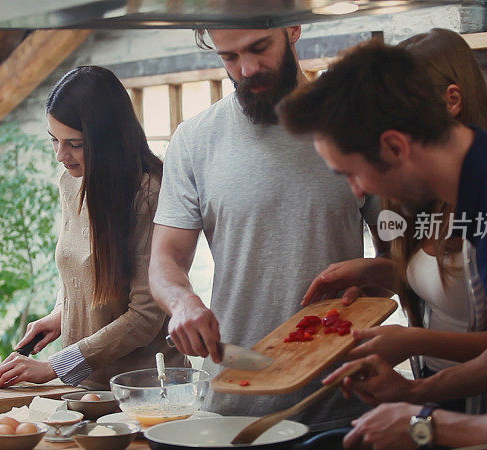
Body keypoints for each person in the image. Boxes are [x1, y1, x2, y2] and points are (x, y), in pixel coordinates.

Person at [277, 40, 487, 448]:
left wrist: (422, 425)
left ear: (395, 146)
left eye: (350, 174)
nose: (357, 192)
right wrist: (414, 392)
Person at [149, 26, 383, 430]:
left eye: (260, 48)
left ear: (293, 28)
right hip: (231, 403)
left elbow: (404, 255)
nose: (248, 68)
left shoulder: (356, 127)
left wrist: (372, 283)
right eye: (229, 57)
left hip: (337, 405)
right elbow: (164, 259)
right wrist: (182, 302)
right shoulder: (194, 139)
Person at [301, 29, 487, 414]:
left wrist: (413, 340)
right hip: (437, 389)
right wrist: (375, 271)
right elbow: (445, 284)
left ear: (453, 102)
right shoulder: (421, 193)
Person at [0, 66, 187, 390]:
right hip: (88, 389)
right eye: (54, 140)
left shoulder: (149, 194)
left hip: (146, 390)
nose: (59, 155)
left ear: (108, 140)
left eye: (75, 144)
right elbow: (82, 268)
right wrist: (61, 313)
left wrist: (55, 365)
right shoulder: (71, 183)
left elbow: (144, 318)